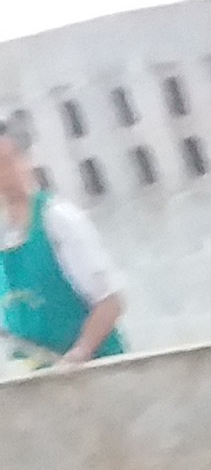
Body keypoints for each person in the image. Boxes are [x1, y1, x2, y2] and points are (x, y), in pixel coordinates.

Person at [0, 121, 126, 370]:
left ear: (23, 161)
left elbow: (110, 302)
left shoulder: (59, 219)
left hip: (95, 374)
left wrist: (80, 353)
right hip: (35, 382)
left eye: (5, 162)